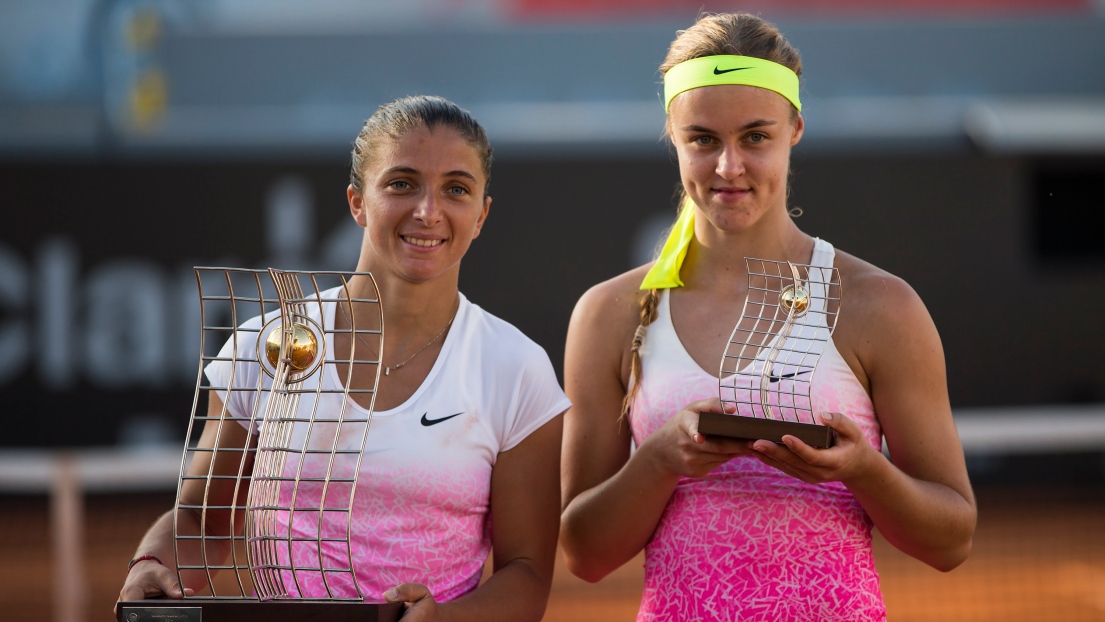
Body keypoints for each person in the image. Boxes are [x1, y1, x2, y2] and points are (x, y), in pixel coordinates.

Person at [559, 13, 976, 621]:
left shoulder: (882, 306)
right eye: (703, 139)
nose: (729, 167)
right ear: (672, 136)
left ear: (795, 129)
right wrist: (661, 459)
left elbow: (951, 541)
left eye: (756, 137)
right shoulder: (607, 315)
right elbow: (585, 554)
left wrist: (863, 470)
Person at [117, 95, 569, 622]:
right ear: (357, 201)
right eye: (401, 183)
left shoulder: (515, 367)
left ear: (482, 214)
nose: (428, 211)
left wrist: (444, 619)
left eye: (456, 189)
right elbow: (199, 522)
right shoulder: (261, 344)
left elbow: (527, 572)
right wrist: (150, 563)